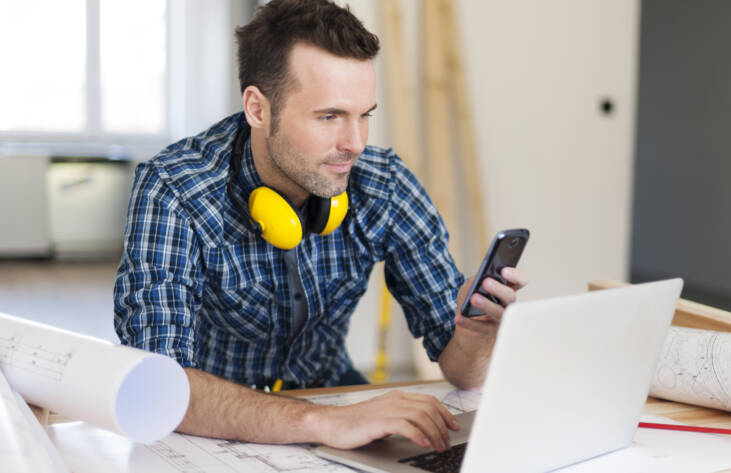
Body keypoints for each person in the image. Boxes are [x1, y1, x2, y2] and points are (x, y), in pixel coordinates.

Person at [114, 0, 527, 453]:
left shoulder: (383, 184)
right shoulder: (174, 188)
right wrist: (324, 422)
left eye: (364, 114)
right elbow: (160, 386)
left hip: (330, 390)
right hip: (214, 413)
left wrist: (474, 335)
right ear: (257, 108)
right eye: (329, 116)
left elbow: (463, 371)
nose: (354, 144)